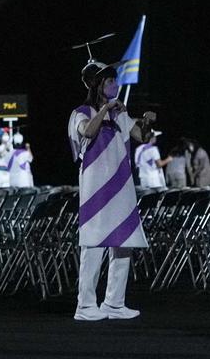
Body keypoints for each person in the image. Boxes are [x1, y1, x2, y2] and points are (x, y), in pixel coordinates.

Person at [68, 59, 154, 321]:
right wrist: (105, 108)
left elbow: (143, 137)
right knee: (93, 244)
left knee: (124, 242)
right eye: (110, 81)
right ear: (97, 85)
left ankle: (114, 303)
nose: (116, 85)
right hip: (96, 187)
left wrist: (147, 122)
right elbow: (88, 132)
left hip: (122, 184)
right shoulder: (80, 112)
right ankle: (85, 305)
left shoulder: (121, 115)